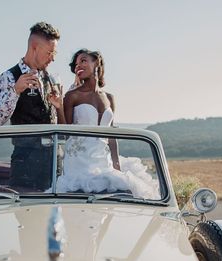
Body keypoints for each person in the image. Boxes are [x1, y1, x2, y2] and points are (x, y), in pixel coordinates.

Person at [56, 49, 159, 199]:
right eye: (76, 64)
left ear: (96, 61)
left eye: (83, 61)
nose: (78, 66)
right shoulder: (72, 96)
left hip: (103, 161)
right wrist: (58, 107)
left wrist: (116, 164)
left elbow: (112, 136)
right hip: (78, 164)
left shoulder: (109, 98)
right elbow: (65, 133)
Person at [0, 22, 64, 190]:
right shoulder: (9, 76)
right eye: (50, 52)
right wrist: (16, 90)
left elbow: (59, 124)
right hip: (26, 166)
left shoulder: (52, 79)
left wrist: (59, 107)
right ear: (34, 47)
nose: (53, 58)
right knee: (26, 215)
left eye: (55, 53)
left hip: (55, 165)